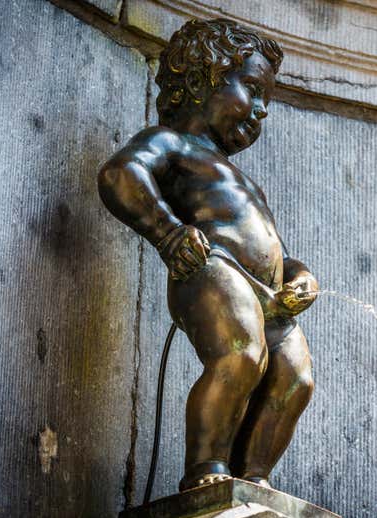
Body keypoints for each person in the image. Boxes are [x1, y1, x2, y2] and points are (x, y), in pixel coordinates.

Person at [98, 18, 318, 492]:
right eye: (253, 90)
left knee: (295, 379)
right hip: (209, 266)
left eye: (267, 101)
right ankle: (206, 472)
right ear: (202, 80)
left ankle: (253, 479)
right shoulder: (171, 144)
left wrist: (300, 278)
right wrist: (168, 233)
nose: (260, 111)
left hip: (270, 295)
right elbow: (122, 173)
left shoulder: (247, 182)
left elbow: (276, 250)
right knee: (240, 355)